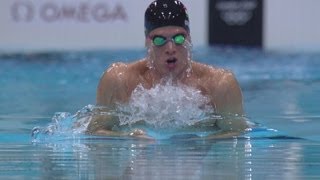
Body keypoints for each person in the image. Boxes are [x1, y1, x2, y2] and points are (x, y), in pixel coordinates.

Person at [86, 0, 248, 139]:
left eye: (179, 38)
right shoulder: (119, 80)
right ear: (147, 41)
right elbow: (95, 132)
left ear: (189, 38)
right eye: (159, 40)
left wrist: (200, 142)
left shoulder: (219, 85)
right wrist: (127, 138)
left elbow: (238, 135)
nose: (170, 48)